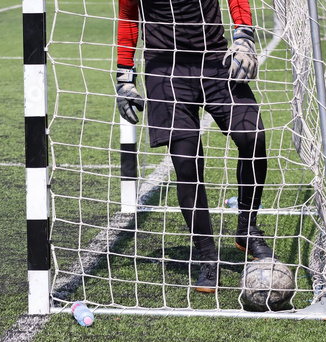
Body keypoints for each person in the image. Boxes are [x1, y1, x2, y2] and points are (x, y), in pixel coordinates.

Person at [115, 0, 276, 293]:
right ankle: (207, 257)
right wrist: (124, 75)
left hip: (214, 60)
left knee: (252, 135)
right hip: (165, 70)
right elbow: (128, 14)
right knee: (186, 162)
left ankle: (247, 229)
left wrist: (244, 35)